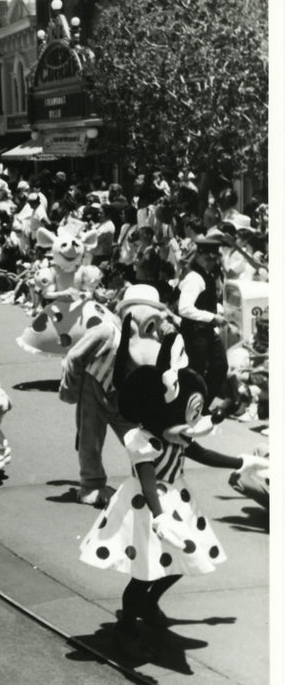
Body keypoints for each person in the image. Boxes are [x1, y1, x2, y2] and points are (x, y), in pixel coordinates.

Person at [79, 328, 268, 656]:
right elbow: (147, 477)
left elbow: (204, 455)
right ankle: (126, 627)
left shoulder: (177, 436)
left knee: (185, 560)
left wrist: (243, 461)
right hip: (146, 506)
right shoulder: (144, 441)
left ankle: (149, 605)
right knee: (144, 572)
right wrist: (159, 515)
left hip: (176, 500)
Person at [59, 285, 173, 507]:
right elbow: (74, 357)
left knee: (139, 439)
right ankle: (91, 485)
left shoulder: (154, 337)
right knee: (90, 441)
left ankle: (152, 480)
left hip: (123, 399)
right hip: (94, 391)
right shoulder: (108, 331)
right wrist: (71, 390)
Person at [176, 235, 229, 406]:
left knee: (220, 366)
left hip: (205, 331)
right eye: (208, 258)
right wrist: (212, 317)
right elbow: (184, 308)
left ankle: (202, 405)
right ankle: (188, 408)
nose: (212, 262)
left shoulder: (207, 274)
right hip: (194, 332)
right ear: (199, 257)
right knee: (194, 372)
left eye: (214, 259)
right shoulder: (195, 278)